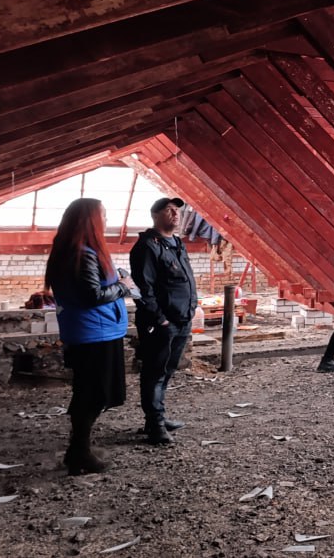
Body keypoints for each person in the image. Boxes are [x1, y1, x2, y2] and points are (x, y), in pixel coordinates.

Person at [44, 198, 136, 475]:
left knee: (89, 390)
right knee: (92, 393)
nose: (106, 221)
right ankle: (79, 452)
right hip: (94, 332)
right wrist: (122, 286)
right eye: (103, 216)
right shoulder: (83, 254)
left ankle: (79, 448)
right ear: (90, 221)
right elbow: (92, 295)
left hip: (92, 330)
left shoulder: (74, 251)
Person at [130, 197, 198, 445]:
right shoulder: (148, 246)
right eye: (169, 210)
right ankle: (155, 424)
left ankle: (156, 417)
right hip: (162, 323)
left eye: (177, 210)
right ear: (155, 215)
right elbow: (143, 289)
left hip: (182, 318)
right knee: (154, 371)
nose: (176, 214)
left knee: (167, 370)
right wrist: (160, 319)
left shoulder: (177, 243)